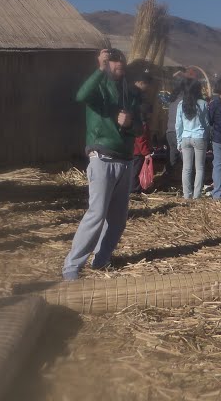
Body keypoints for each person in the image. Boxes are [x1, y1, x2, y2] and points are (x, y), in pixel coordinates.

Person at [62, 48, 141, 280]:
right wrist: (99, 70)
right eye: (113, 62)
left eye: (121, 62)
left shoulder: (130, 92)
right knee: (96, 214)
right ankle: (71, 266)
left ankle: (101, 259)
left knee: (117, 218)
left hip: (125, 160)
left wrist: (130, 123)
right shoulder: (98, 88)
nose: (119, 65)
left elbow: (139, 127)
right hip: (103, 157)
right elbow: (81, 95)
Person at [175, 79, 209, 199]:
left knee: (186, 168)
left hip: (185, 138)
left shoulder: (181, 104)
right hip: (199, 137)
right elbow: (206, 124)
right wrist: (207, 137)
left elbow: (178, 125)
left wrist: (179, 141)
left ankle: (186, 195)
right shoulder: (203, 103)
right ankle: (197, 195)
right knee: (199, 168)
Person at [164, 73, 187, 182]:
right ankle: (184, 180)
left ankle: (170, 177)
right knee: (185, 158)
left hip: (169, 131)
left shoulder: (172, 99)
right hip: (180, 132)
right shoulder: (184, 100)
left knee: (172, 156)